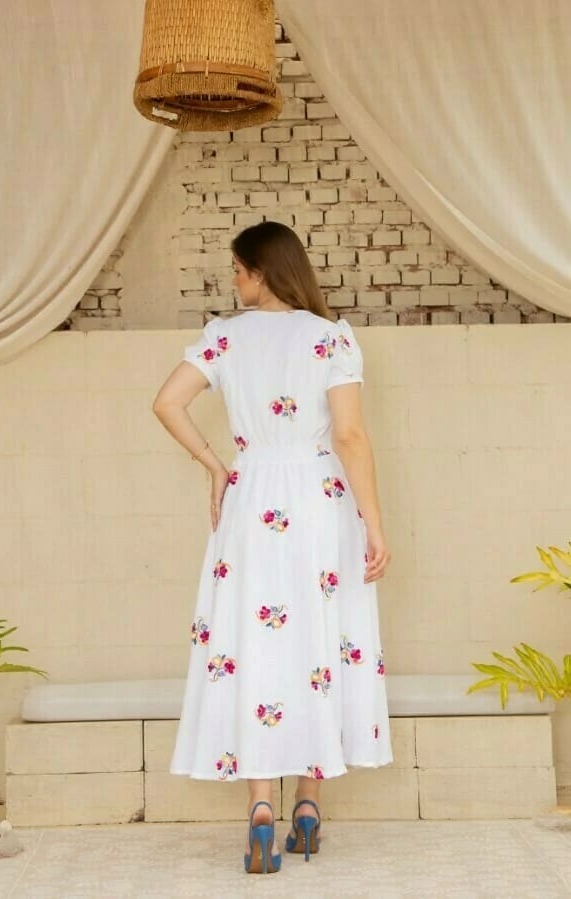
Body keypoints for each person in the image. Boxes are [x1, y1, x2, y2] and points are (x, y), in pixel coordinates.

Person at [152, 220, 392, 875]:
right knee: (318, 636)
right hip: (318, 499)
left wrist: (216, 465)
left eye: (238, 270)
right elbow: (349, 436)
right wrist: (373, 521)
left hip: (250, 495)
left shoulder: (223, 336)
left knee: (253, 639)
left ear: (262, 271)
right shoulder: (331, 338)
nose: (234, 282)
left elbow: (167, 402)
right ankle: (307, 806)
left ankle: (260, 808)